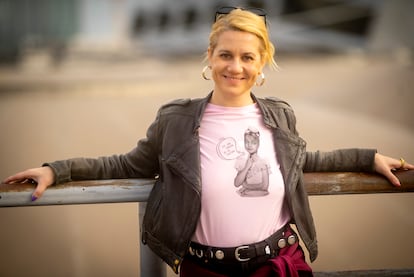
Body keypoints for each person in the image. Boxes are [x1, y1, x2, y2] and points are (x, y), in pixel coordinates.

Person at [3, 6, 413, 277]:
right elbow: (125, 166)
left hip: (279, 265)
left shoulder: (279, 115)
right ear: (210, 56)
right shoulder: (176, 120)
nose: (235, 67)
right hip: (204, 271)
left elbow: (305, 160)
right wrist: (57, 170)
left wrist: (367, 157)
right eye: (226, 55)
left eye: (248, 57)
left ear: (262, 62)